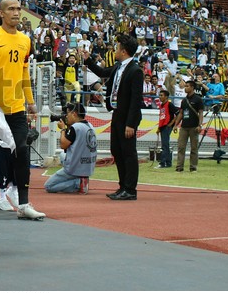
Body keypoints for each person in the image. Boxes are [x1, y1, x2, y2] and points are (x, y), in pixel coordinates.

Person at [0, 0, 45, 219]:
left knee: (21, 151)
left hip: (16, 106)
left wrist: (31, 101)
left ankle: (24, 204)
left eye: (18, 9)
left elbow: (24, 72)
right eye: (12, 9)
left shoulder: (25, 41)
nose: (16, 13)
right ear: (1, 14)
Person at [83, 33, 143, 200]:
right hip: (116, 114)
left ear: (123, 51)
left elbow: (136, 100)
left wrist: (131, 123)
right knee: (116, 150)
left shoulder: (135, 70)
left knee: (128, 152)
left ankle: (130, 189)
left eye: (117, 48)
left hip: (127, 118)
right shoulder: (118, 67)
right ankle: (123, 185)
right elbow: (102, 71)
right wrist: (88, 61)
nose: (114, 51)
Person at [44, 102, 96, 194]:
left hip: (75, 167)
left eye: (67, 113)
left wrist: (63, 129)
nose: (66, 116)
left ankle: (78, 183)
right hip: (88, 166)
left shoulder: (75, 128)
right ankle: (81, 178)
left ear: (74, 114)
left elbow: (63, 145)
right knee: (62, 155)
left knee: (49, 186)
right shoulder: (90, 125)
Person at [173, 80, 204, 173]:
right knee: (181, 147)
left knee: (194, 148)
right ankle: (179, 167)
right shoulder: (184, 100)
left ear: (192, 87)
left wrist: (200, 125)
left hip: (194, 127)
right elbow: (181, 113)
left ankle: (193, 167)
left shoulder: (198, 99)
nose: (185, 88)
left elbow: (201, 113)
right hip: (184, 127)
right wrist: (176, 125)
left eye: (187, 86)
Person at [155, 90, 177, 169]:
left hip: (167, 126)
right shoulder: (161, 105)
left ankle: (162, 163)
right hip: (162, 126)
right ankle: (168, 163)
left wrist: (171, 124)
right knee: (165, 145)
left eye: (161, 95)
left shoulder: (170, 104)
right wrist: (159, 128)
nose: (160, 97)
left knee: (164, 145)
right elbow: (161, 117)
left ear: (166, 97)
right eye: (159, 95)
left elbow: (177, 114)